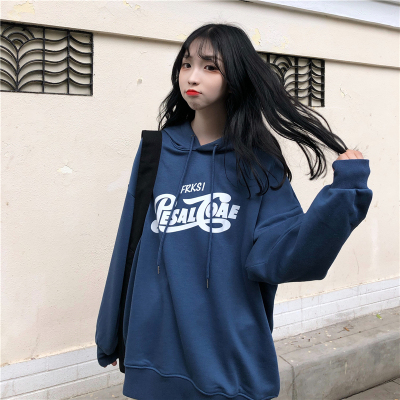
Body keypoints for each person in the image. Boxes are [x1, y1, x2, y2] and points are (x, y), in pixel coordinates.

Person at [95, 23, 373, 400]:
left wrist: (344, 193)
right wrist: (110, 334)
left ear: (236, 79)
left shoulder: (258, 164)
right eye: (187, 64)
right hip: (154, 357)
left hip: (227, 364)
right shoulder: (155, 151)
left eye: (210, 67)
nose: (192, 77)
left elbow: (284, 257)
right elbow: (128, 244)